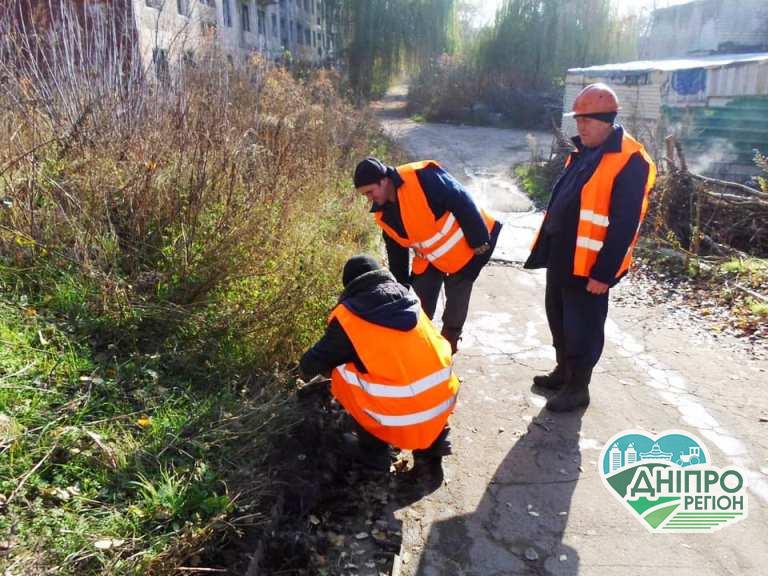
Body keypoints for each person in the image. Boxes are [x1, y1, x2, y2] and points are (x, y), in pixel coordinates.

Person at [524, 83, 656, 413]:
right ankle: (563, 371)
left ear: (608, 120)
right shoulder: (586, 151)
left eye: (587, 121)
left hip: (591, 263)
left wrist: (604, 272)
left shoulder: (630, 160)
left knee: (583, 325)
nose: (580, 126)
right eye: (578, 119)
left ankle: (578, 387)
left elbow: (626, 223)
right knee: (558, 316)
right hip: (563, 253)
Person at [299, 255, 458, 472]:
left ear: (351, 287)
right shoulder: (412, 302)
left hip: (395, 419)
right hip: (440, 407)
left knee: (342, 372)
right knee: (420, 366)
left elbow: (310, 365)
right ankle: (434, 446)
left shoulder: (350, 319)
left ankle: (374, 452)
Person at [353, 157, 502, 354]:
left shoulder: (420, 176)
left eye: (370, 192)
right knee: (418, 300)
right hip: (431, 258)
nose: (369, 199)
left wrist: (478, 238)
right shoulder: (384, 216)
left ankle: (449, 343)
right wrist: (401, 289)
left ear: (384, 179)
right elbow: (397, 254)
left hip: (470, 246)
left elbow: (460, 197)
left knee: (457, 296)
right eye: (365, 195)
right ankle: (419, 342)